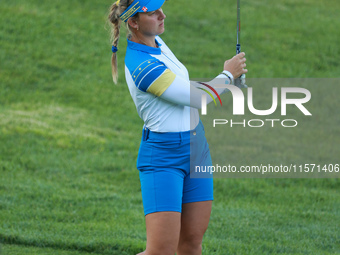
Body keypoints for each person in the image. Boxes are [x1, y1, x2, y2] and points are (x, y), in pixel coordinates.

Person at [108, 0, 247, 254]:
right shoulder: (141, 66)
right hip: (163, 157)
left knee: (192, 244)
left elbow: (186, 90)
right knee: (160, 250)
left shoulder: (157, 43)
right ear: (133, 22)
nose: (163, 15)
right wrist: (227, 75)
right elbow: (196, 98)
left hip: (197, 149)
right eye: (153, 12)